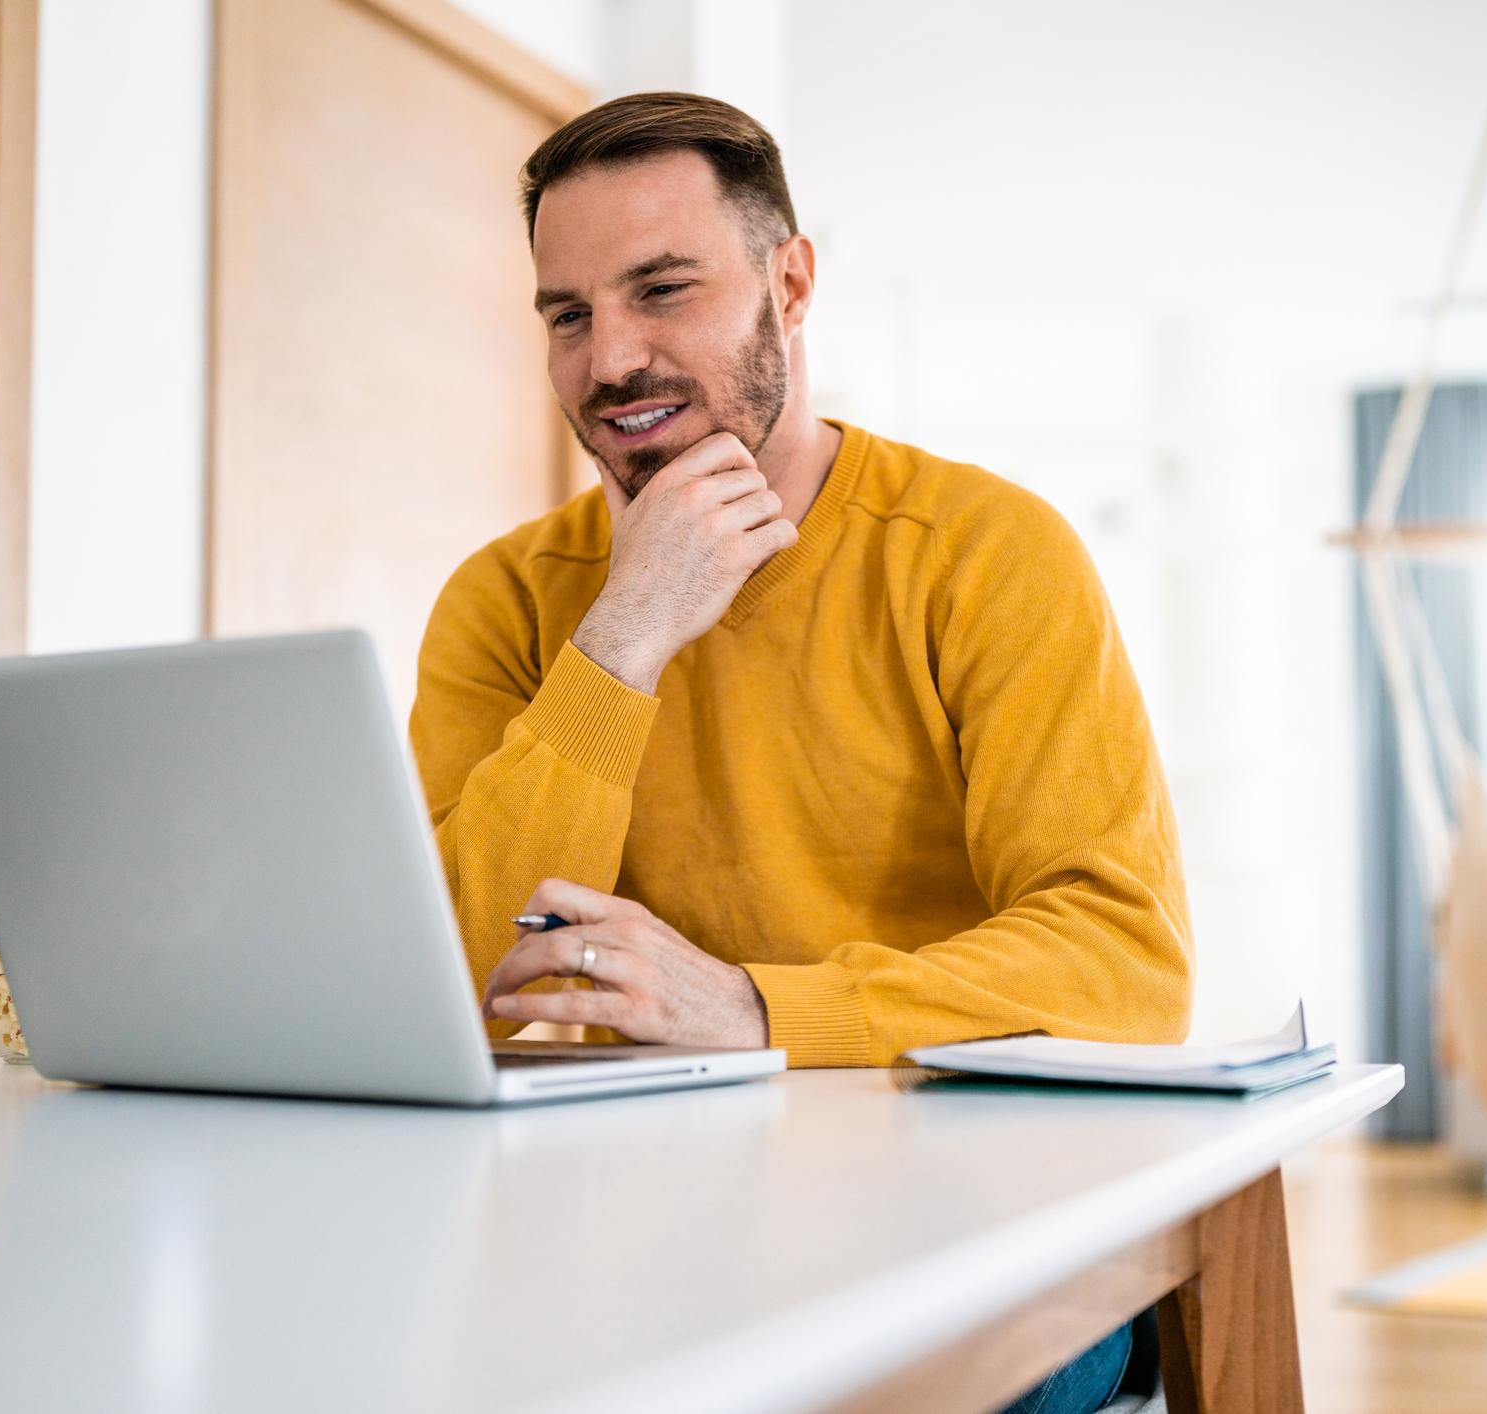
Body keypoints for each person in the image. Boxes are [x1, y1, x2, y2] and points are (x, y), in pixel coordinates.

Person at [408, 92, 1190, 1413]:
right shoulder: (508, 602)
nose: (610, 360)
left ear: (791, 280)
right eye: (568, 315)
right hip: (643, 1219)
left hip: (980, 1221)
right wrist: (624, 637)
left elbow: (1126, 956)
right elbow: (443, 970)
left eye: (663, 290)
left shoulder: (989, 556)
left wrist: (759, 1013)